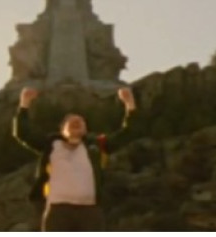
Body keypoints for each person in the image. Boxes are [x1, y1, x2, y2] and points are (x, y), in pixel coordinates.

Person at [12, 86, 137, 231]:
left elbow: (128, 134)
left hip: (90, 210)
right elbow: (22, 133)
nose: (76, 122)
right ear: (62, 130)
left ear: (86, 129)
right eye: (71, 122)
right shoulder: (51, 145)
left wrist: (130, 104)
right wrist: (24, 103)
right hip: (58, 210)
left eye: (80, 121)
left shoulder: (96, 145)